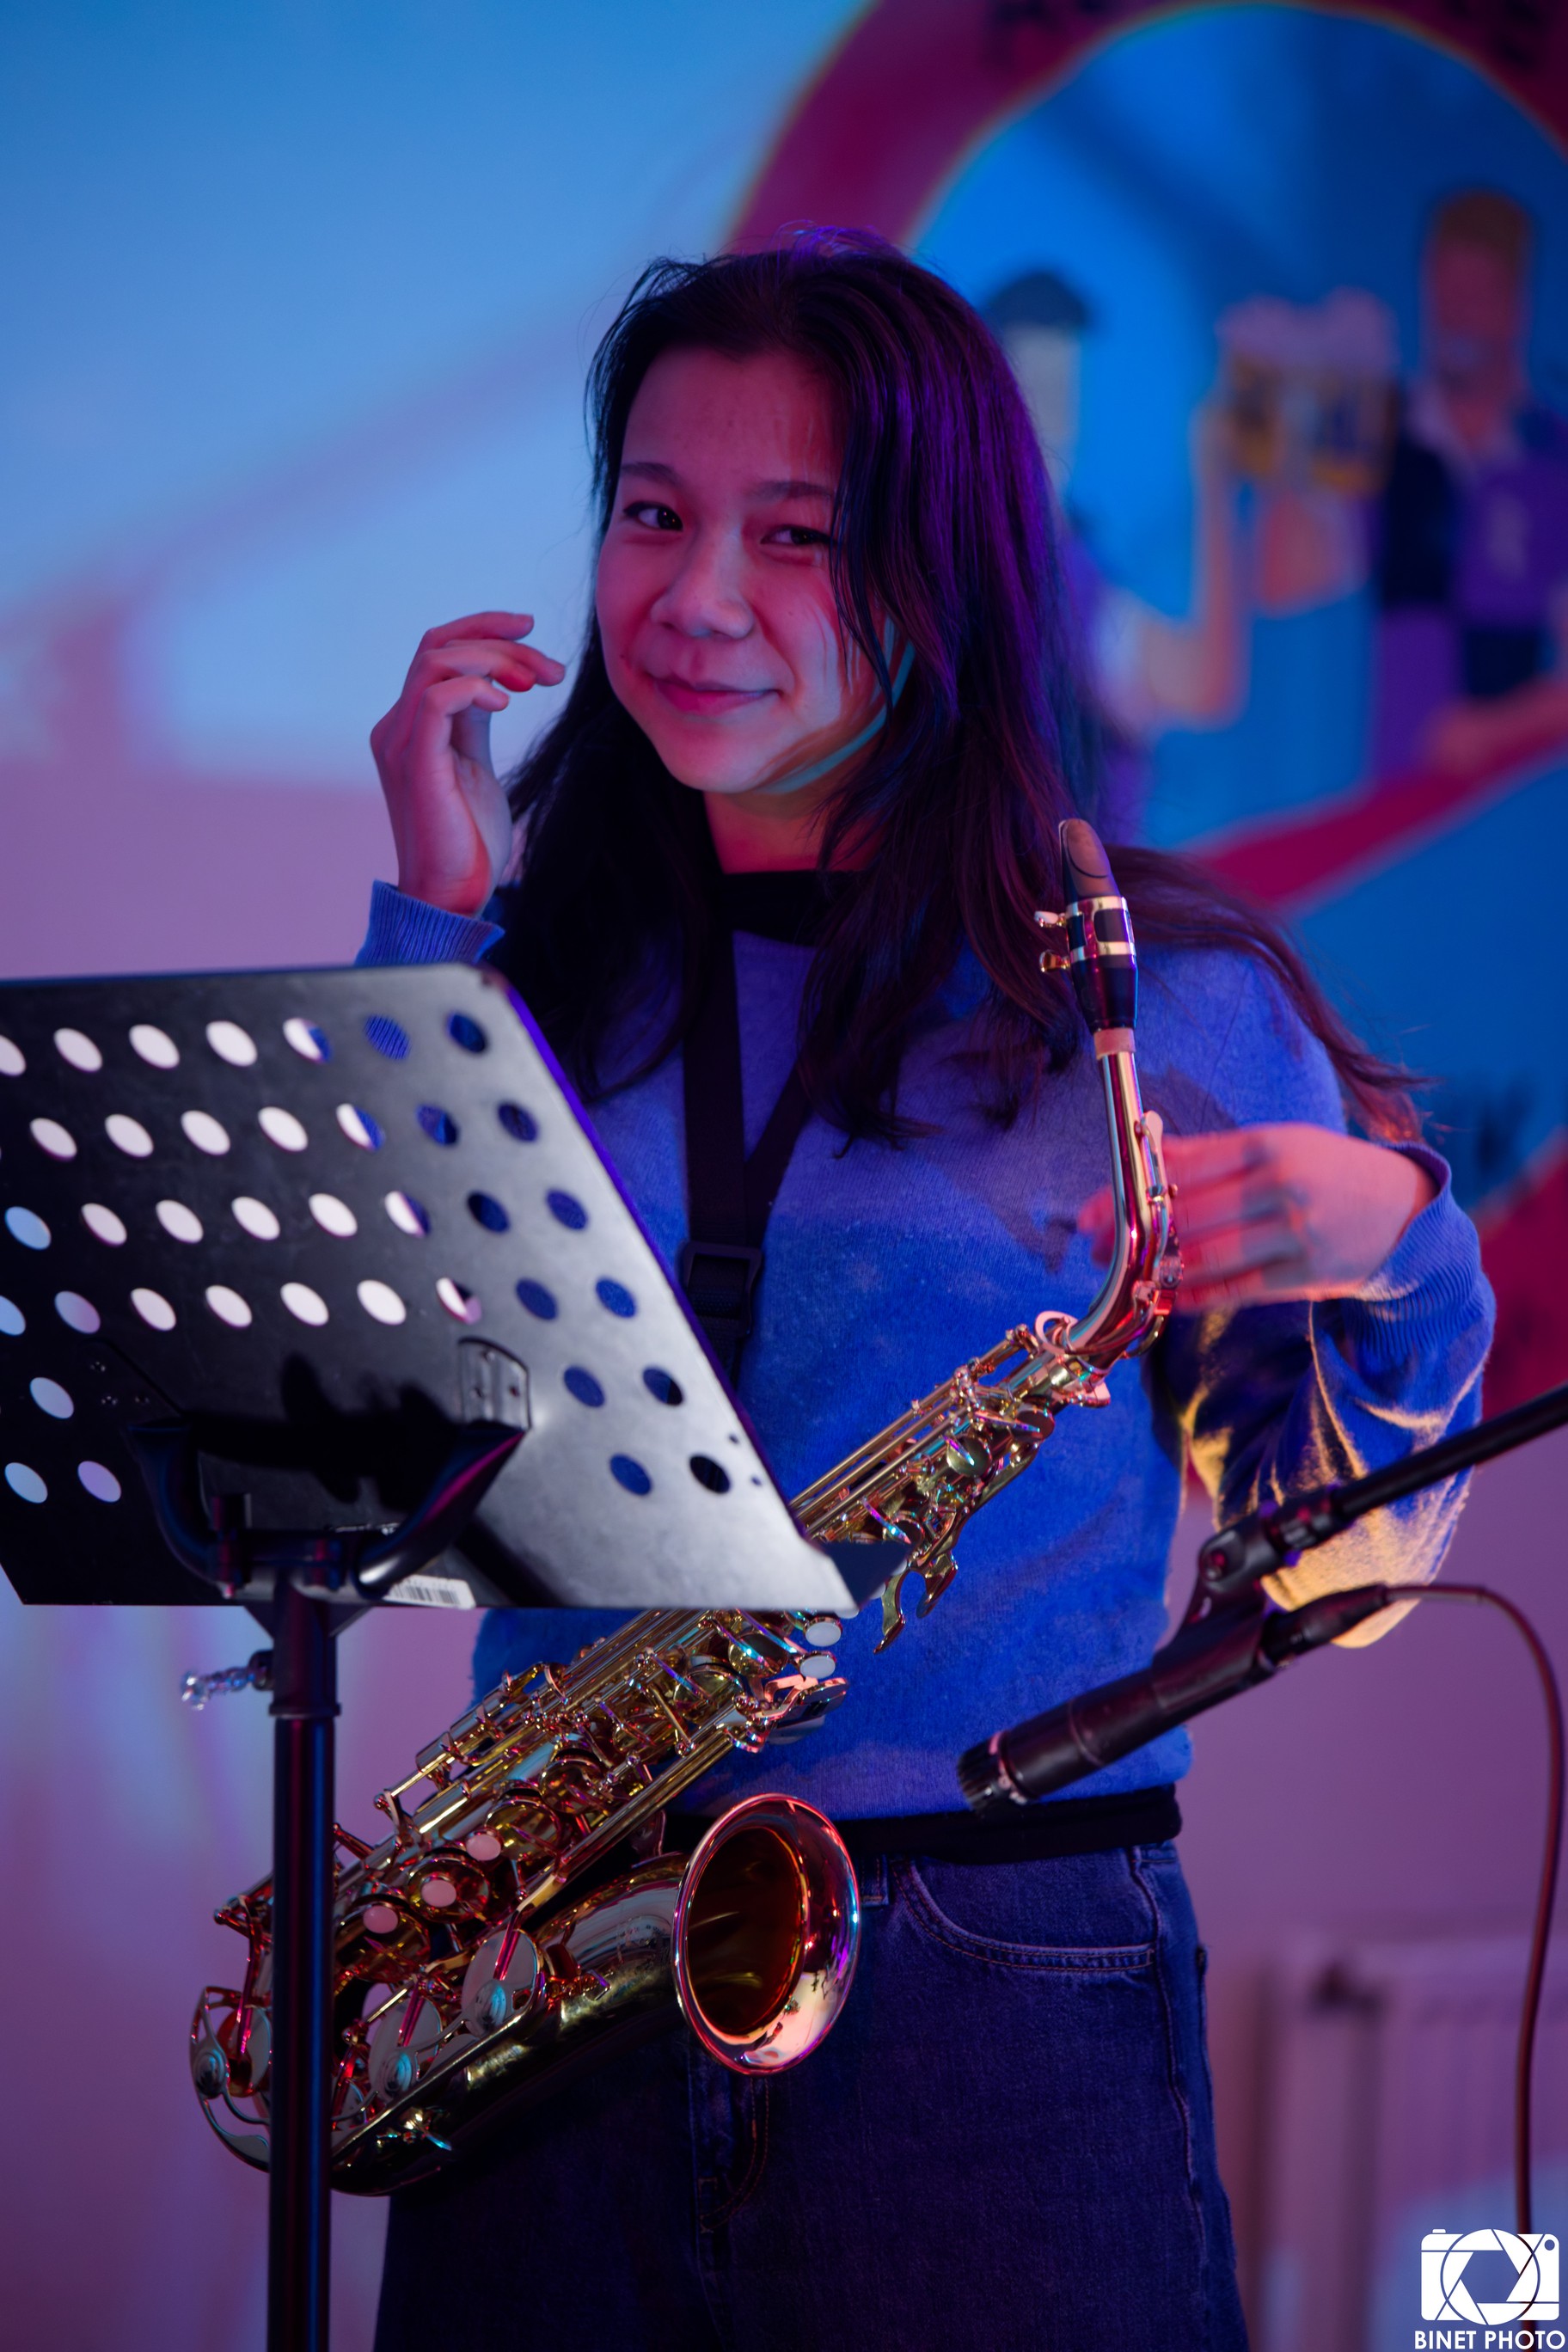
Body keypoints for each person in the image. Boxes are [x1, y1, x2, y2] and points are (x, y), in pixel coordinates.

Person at [357, 233, 1491, 2352]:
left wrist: (1396, 1247)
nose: (698, 599)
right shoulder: (530, 975)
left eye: (799, 536)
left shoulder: (1157, 1005)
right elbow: (388, 1437)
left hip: (989, 1972)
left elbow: (1346, 1563)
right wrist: (430, 925)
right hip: (544, 1961)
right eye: (654, 513)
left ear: (946, 575)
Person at [984, 269, 1247, 840]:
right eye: (1036, 393)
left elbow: (1201, 685)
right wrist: (1215, 484)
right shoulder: (1034, 579)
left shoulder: (1070, 571)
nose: (1054, 423)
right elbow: (1204, 682)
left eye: (1065, 394)